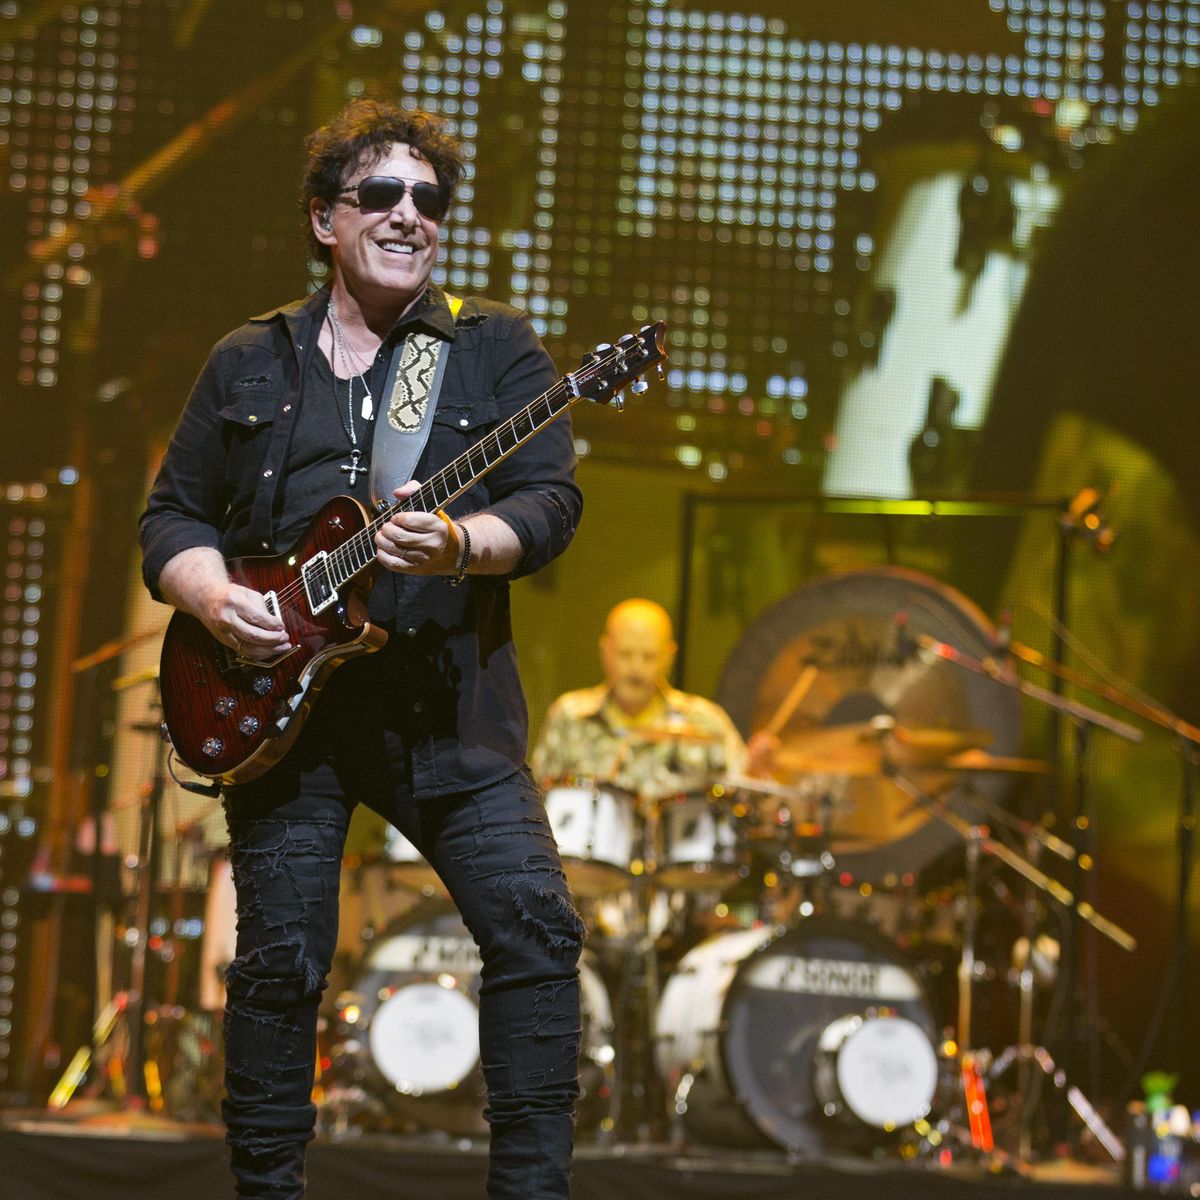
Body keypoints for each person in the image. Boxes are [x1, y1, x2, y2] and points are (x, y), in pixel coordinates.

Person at [140, 99, 585, 1200]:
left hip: (447, 709)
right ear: (323, 219)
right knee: (281, 963)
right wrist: (214, 598)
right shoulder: (248, 358)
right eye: (380, 194)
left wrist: (462, 543)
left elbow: (550, 505)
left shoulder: (492, 350)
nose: (407, 215)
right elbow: (171, 518)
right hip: (285, 713)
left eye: (429, 199)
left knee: (536, 930)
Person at [532, 598, 751, 801]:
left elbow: (741, 802)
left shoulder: (706, 720)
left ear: (669, 656)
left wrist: (754, 775)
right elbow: (536, 799)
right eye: (625, 654)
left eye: (649, 656)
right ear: (606, 651)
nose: (636, 669)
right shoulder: (570, 715)